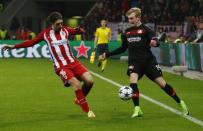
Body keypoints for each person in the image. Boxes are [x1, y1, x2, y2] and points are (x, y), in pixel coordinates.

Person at [2, 11, 95, 118]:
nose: (60, 26)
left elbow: (79, 31)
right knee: (76, 84)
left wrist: (80, 30)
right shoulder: (45, 34)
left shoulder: (65, 30)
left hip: (73, 62)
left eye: (61, 23)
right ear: (52, 23)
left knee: (90, 81)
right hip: (61, 66)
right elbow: (31, 43)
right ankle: (88, 111)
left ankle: (79, 99)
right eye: (58, 24)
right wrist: (13, 47)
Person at [99, 7, 189, 118]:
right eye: (129, 18)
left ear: (138, 18)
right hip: (134, 62)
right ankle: (137, 109)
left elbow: (156, 41)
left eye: (132, 18)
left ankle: (181, 103)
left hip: (148, 62)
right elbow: (122, 48)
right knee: (133, 82)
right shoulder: (127, 32)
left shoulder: (147, 30)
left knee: (162, 84)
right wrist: (106, 55)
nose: (129, 21)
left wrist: (154, 42)